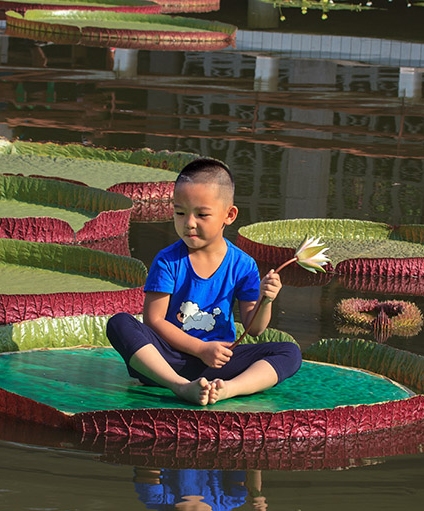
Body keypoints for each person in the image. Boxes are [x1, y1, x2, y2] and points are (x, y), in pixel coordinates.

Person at [106, 158, 302, 406]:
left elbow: (255, 329)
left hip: (221, 363)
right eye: (180, 212)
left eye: (201, 214)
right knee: (119, 323)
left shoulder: (244, 265)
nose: (189, 223)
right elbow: (154, 320)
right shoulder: (167, 260)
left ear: (229, 215)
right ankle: (179, 386)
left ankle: (229, 389)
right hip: (167, 360)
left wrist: (267, 300)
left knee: (289, 352)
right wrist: (200, 349)